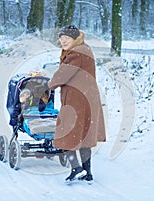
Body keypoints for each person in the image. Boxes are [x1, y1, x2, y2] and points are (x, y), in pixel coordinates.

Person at [48, 25, 106, 184]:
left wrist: (49, 85)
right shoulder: (84, 48)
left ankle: (76, 169)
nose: (63, 42)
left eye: (66, 39)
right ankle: (88, 173)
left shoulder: (76, 53)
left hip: (77, 100)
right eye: (61, 39)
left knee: (66, 133)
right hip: (86, 98)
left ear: (74, 39)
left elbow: (63, 74)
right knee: (83, 136)